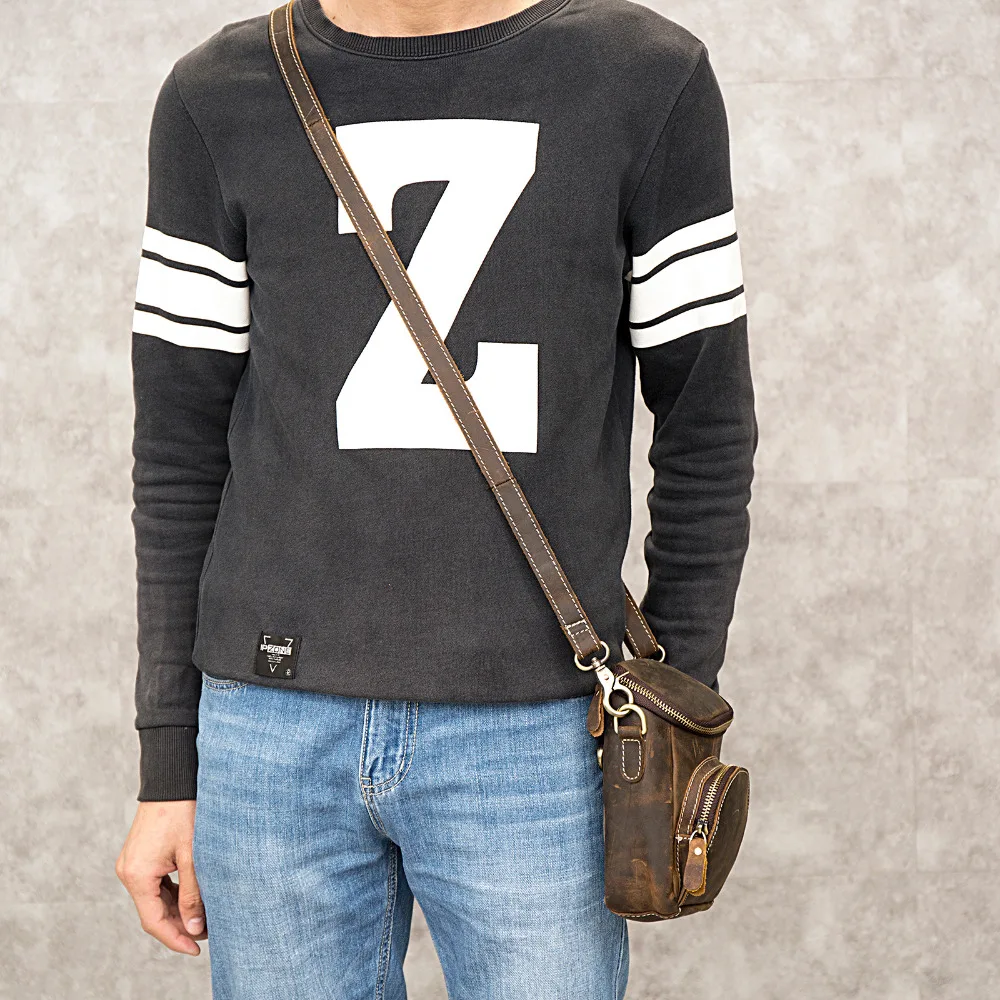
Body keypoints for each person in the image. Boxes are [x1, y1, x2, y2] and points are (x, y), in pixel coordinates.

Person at [115, 0, 757, 995]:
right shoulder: (219, 93)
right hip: (268, 731)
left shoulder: (644, 76)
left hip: (539, 732)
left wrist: (669, 716)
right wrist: (170, 762)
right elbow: (176, 452)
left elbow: (706, 428)